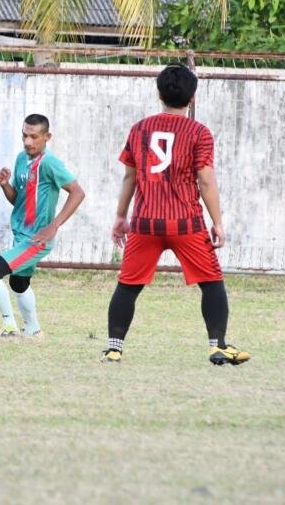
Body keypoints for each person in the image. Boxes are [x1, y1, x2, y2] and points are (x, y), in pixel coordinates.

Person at [103, 63, 250, 366]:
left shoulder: (139, 129)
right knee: (211, 281)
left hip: (145, 222)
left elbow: (129, 178)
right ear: (192, 98)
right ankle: (217, 345)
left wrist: (121, 216)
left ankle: (114, 348)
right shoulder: (199, 132)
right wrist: (218, 222)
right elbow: (206, 179)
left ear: (159, 94)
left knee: (128, 286)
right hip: (186, 223)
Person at [0, 114, 85, 339]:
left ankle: (9, 327)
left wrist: (54, 226)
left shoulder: (50, 163)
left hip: (37, 239)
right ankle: (33, 330)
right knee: (19, 283)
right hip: (21, 234)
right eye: (25, 135)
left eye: (34, 137)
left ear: (47, 137)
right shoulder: (21, 158)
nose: (28, 142)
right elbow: (18, 199)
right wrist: (4, 185)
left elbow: (78, 193)